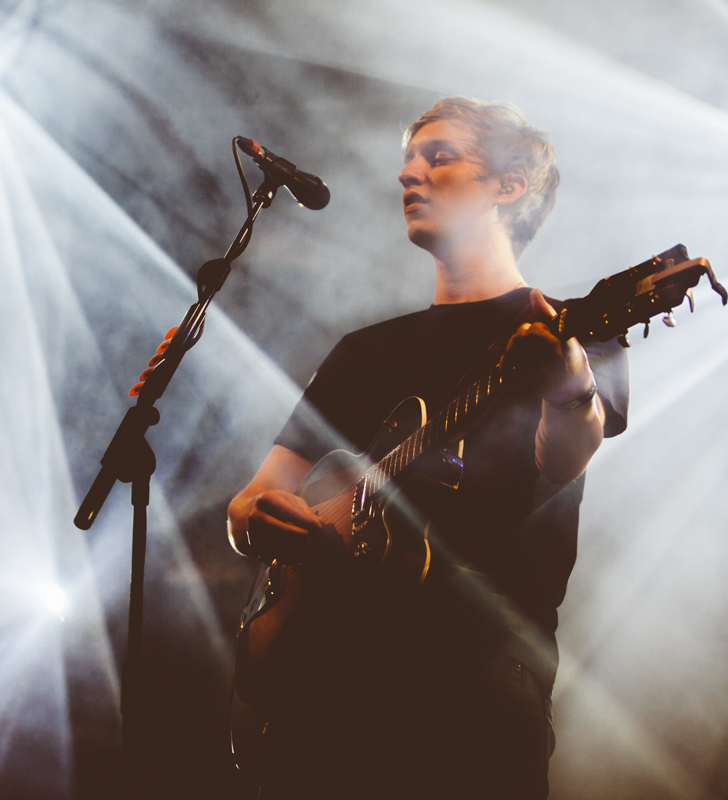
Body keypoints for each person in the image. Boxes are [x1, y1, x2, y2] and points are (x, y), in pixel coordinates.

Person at [227, 97, 628, 799]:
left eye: (439, 158)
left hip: (473, 691)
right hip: (325, 690)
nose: (409, 174)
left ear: (509, 186)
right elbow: (250, 505)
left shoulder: (577, 331)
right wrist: (258, 517)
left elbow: (563, 460)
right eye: (408, 160)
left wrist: (568, 386)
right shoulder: (363, 352)